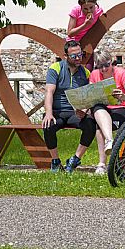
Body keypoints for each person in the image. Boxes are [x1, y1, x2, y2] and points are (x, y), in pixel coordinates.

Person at [42, 40, 97, 173]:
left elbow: (89, 96)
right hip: (57, 111)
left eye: (80, 55)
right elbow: (49, 92)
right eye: (74, 56)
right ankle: (55, 161)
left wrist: (85, 110)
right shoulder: (55, 68)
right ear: (66, 56)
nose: (78, 58)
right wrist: (48, 113)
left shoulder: (86, 72)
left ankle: (75, 159)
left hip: (75, 113)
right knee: (48, 124)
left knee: (91, 124)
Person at [89, 50, 125, 174]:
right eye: (100, 67)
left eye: (107, 65)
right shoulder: (94, 75)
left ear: (112, 63)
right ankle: (108, 144)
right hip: (106, 110)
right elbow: (90, 95)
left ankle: (103, 163)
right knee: (97, 109)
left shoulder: (121, 73)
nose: (104, 69)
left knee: (99, 127)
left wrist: (123, 97)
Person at [66, 0, 105, 71]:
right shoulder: (76, 11)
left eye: (91, 7)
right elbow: (70, 33)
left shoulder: (98, 11)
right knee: (74, 69)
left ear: (95, 4)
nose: (89, 11)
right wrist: (84, 25)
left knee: (88, 69)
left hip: (87, 43)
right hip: (74, 44)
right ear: (81, 6)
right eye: (85, 9)